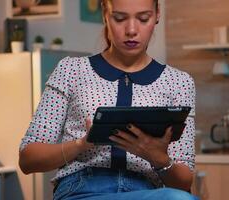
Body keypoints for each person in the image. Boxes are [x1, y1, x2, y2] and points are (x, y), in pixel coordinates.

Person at [19, 0, 196, 199]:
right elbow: (28, 159)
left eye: (143, 18)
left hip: (147, 192)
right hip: (82, 190)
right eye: (119, 18)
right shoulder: (71, 70)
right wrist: (81, 144)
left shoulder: (179, 83)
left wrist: (158, 158)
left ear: (157, 15)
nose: (131, 30)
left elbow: (184, 181)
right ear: (105, 14)